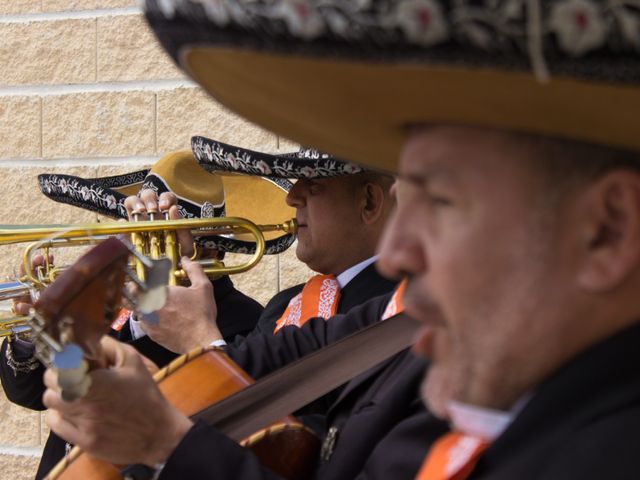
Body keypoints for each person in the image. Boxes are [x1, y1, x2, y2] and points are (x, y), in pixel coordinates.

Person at [43, 1, 640, 479]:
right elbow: (169, 375)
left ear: (607, 229)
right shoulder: (369, 317)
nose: (403, 248)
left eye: (443, 198)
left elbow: (246, 405)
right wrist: (86, 345)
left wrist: (164, 429)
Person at [0, 149, 293, 479]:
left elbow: (229, 437)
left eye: (159, 237)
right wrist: (31, 333)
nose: (136, 247)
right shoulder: (108, 298)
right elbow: (29, 392)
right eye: (137, 232)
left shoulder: (243, 322)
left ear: (207, 248)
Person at [128, 137, 398, 354]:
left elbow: (273, 415)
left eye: (313, 182)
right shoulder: (284, 304)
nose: (292, 197)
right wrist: (164, 286)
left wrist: (199, 339)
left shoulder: (399, 307)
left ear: (369, 202)